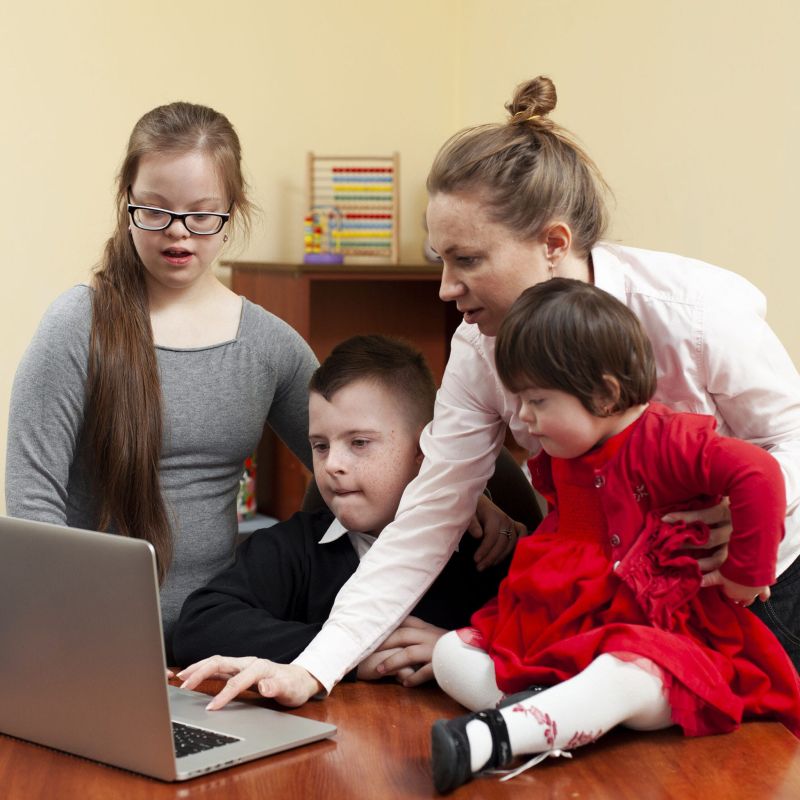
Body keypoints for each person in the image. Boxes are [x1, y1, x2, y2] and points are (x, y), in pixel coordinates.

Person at [177, 75, 800, 709]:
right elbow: (427, 517)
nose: (445, 288)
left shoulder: (694, 312)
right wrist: (314, 668)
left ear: (553, 244)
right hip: (618, 602)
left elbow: (791, 436)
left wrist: (750, 517)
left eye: (467, 260)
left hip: (757, 582)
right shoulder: (478, 350)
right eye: (438, 260)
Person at [428, 278, 800, 792]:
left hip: (662, 640)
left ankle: (503, 734)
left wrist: (745, 572)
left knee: (629, 676)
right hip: (567, 629)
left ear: (603, 394)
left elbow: (759, 473)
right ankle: (562, 713)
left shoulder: (665, 441)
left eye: (537, 401)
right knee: (449, 653)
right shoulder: (564, 457)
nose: (524, 418)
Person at [4, 102, 318, 649]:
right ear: (127, 205)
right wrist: (68, 628)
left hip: (214, 642)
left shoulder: (270, 346)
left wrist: (290, 554)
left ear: (232, 211)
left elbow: (350, 467)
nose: (179, 234)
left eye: (202, 215)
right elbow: (32, 501)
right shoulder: (77, 323)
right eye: (155, 210)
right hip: (91, 640)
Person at [172, 335, 514, 685]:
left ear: (425, 449)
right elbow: (199, 626)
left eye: (359, 443)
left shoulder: (487, 554)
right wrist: (347, 653)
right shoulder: (295, 546)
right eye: (320, 446)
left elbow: (546, 650)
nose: (332, 463)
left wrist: (458, 651)